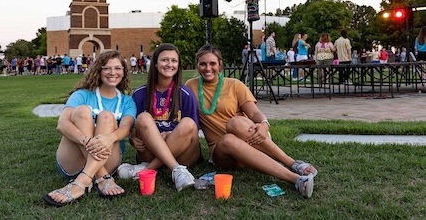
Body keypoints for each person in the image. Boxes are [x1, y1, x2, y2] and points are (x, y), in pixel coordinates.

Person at [186, 45, 316, 198]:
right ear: (197, 65)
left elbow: (254, 112)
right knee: (228, 139)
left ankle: (292, 163)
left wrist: (264, 124)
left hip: (250, 139)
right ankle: (297, 180)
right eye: (203, 64)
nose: (208, 68)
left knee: (235, 123)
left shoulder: (235, 84)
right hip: (221, 151)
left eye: (212, 63)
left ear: (220, 64)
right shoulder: (191, 86)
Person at [43, 50, 137, 207]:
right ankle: (101, 177)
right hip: (74, 160)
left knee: (107, 116)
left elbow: (126, 127)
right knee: (82, 111)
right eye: (106, 68)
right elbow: (62, 124)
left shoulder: (127, 101)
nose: (112, 72)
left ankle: (81, 182)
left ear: (124, 72)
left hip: (109, 158)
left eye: (118, 68)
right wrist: (85, 140)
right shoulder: (82, 95)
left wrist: (110, 138)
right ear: (98, 70)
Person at [118, 43, 200, 191]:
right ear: (155, 63)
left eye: (174, 61)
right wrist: (132, 138)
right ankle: (176, 170)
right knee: (143, 118)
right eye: (164, 60)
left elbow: (193, 129)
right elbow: (132, 128)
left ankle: (148, 169)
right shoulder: (140, 93)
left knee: (188, 123)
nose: (169, 64)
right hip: (150, 150)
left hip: (183, 153)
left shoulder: (185, 93)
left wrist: (170, 134)